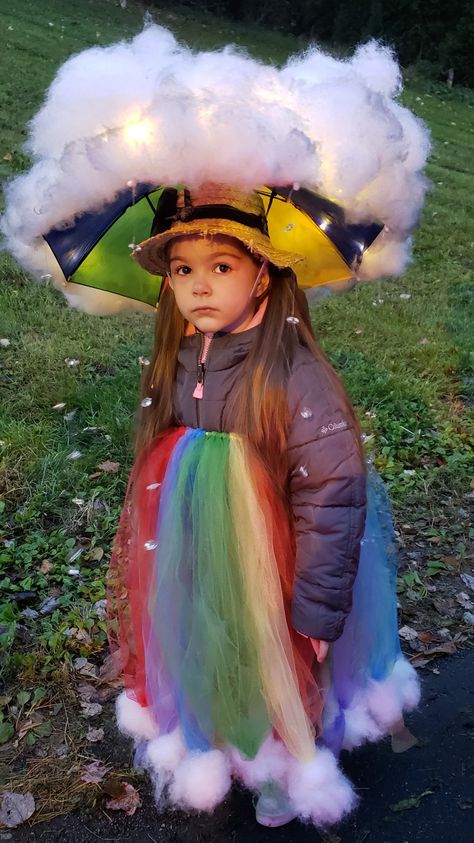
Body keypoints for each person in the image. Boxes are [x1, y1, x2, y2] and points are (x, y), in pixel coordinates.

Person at [107, 183, 420, 829]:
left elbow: (332, 494)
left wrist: (315, 605)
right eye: (183, 269)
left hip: (278, 570)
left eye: (222, 266)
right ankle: (238, 746)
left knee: (279, 669)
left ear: (263, 273)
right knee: (218, 655)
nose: (199, 286)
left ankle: (285, 763)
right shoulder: (182, 357)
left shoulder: (292, 376)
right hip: (199, 559)